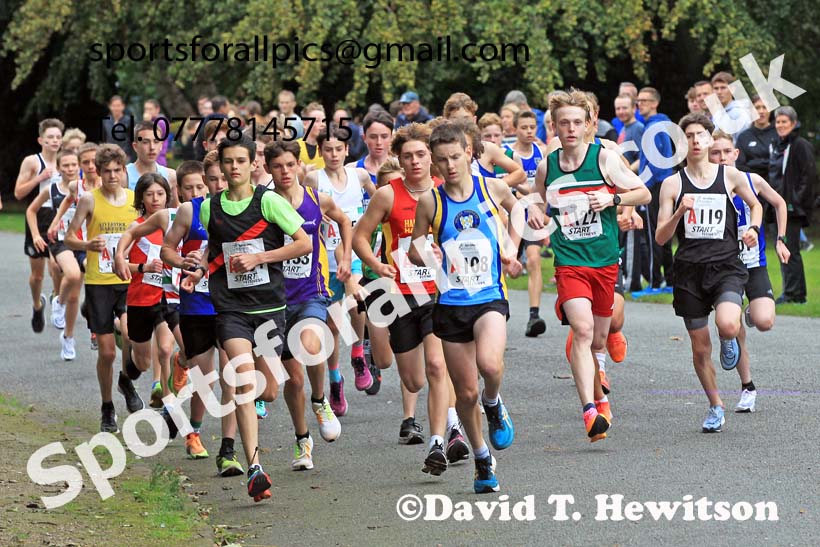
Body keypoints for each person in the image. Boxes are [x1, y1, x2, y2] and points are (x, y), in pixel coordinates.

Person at [183, 134, 311, 501]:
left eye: (241, 160)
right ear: (221, 166)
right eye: (229, 161)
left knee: (267, 390)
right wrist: (199, 271)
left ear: (252, 163)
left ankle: (255, 430)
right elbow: (214, 248)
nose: (235, 167)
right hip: (232, 310)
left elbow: (303, 242)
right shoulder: (209, 208)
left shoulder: (268, 201)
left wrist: (260, 258)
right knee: (241, 379)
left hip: (269, 308)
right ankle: (254, 467)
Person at [528, 89, 650, 442]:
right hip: (569, 262)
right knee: (581, 331)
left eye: (577, 122)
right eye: (563, 123)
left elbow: (643, 192)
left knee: (597, 337)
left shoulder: (604, 159)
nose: (570, 129)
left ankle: (600, 395)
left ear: (588, 125)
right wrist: (535, 209)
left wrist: (612, 197)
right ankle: (589, 411)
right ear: (553, 126)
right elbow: (536, 198)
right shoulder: (546, 166)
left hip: (604, 261)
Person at [409, 121, 524, 494]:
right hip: (451, 303)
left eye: (456, 157)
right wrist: (429, 251)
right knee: (465, 394)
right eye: (441, 160)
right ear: (434, 164)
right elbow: (415, 246)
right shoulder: (431, 201)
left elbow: (518, 209)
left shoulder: (491, 188)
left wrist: (511, 247)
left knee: (490, 365)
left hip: (488, 295)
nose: (450, 165)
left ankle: (495, 402)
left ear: (470, 153)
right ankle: (481, 458)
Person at [354, 122, 469, 474]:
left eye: (421, 155)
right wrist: (378, 264)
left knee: (437, 365)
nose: (416, 161)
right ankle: (444, 422)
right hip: (400, 296)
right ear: (399, 160)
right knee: (413, 380)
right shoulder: (388, 195)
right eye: (408, 156)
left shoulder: (444, 192)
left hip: (438, 293)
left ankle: (445, 435)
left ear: (431, 158)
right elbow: (360, 237)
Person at [655, 113, 763, 432]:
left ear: (710, 138)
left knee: (728, 323)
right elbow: (661, 237)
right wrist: (679, 212)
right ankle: (716, 405)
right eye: (689, 136)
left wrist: (754, 227)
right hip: (689, 272)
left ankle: (729, 337)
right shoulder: (672, 184)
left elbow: (755, 205)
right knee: (700, 348)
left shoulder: (729, 176)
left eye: (701, 134)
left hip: (726, 266)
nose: (696, 141)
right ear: (682, 142)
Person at [265, 139, 347, 470]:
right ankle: (303, 442)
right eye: (277, 166)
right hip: (275, 301)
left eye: (289, 165)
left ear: (299, 165)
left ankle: (320, 400)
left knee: (311, 344)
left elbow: (344, 220)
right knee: (292, 380)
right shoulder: (264, 204)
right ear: (268, 169)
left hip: (311, 292)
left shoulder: (316, 199)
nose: (285, 172)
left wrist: (346, 257)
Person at [709, 129, 790, 413]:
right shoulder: (705, 185)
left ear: (735, 154)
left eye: (725, 153)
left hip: (753, 263)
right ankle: (747, 387)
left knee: (764, 320)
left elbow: (779, 203)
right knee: (735, 331)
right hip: (724, 267)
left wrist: (780, 239)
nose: (721, 159)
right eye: (714, 153)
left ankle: (747, 313)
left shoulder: (751, 180)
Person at [65, 144, 140, 433]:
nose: (111, 175)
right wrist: (87, 245)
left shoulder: (135, 200)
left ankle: (126, 379)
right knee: (107, 352)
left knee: (133, 335)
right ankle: (107, 406)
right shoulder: (88, 200)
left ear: (124, 171)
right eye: (106, 170)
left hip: (128, 280)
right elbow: (69, 238)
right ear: (98, 171)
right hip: (99, 282)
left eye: (116, 170)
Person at [304, 126, 376, 412]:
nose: (333, 154)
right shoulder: (313, 178)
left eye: (339, 149)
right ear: (321, 151)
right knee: (332, 323)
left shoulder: (359, 176)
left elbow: (378, 198)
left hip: (354, 250)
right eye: (328, 149)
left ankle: (358, 353)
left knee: (357, 298)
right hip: (324, 258)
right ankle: (335, 378)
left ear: (347, 150)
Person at [25, 149, 83, 360]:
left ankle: (68, 337)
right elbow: (31, 210)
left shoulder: (86, 189)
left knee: (75, 295)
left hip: (82, 242)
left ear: (79, 166)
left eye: (73, 165)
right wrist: (35, 236)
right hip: (58, 241)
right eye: (65, 165)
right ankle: (58, 300)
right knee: (65, 271)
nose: (69, 169)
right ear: (59, 168)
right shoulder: (52, 190)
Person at [15, 118, 65, 333]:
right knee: (37, 275)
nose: (54, 141)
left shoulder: (67, 161)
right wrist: (40, 178)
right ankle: (37, 305)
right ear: (41, 140)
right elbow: (18, 193)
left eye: (57, 137)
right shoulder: (32, 162)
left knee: (57, 265)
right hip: (37, 216)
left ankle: (56, 298)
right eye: (50, 137)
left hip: (58, 217)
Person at [768, 106, 816, 304]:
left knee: (790, 250)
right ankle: (793, 293)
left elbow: (809, 175)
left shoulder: (800, 144)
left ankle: (794, 294)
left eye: (784, 122)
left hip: (791, 208)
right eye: (778, 121)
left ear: (794, 123)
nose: (780, 125)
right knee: (784, 249)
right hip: (775, 206)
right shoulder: (776, 145)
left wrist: (795, 201)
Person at [636, 87, 675, 292]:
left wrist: (643, 186)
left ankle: (654, 281)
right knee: (665, 234)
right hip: (662, 184)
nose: (639, 104)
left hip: (655, 187)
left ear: (654, 103)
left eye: (644, 101)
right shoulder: (660, 124)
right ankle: (670, 280)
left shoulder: (654, 126)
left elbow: (656, 163)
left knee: (653, 235)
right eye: (638, 101)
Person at [126, 121, 178, 205]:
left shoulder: (170, 176)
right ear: (135, 146)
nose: (152, 147)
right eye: (146, 142)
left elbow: (175, 210)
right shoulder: (125, 176)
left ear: (161, 145)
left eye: (156, 142)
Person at [736, 96, 777, 181]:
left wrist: (754, 163)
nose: (761, 111)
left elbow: (779, 163)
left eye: (765, 107)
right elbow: (740, 166)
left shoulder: (778, 134)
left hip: (776, 186)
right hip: (751, 186)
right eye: (757, 108)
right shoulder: (743, 137)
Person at [102, 95, 136, 162]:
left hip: (125, 156)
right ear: (110, 106)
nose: (116, 108)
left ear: (123, 106)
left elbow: (133, 140)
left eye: (118, 105)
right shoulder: (105, 121)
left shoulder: (129, 121)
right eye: (114, 106)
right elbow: (104, 139)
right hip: (109, 156)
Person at [297, 102, 327, 172]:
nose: (322, 124)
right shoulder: (295, 146)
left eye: (324, 121)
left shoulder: (328, 147)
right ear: (305, 124)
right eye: (317, 121)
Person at [143, 99, 169, 167]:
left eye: (150, 109)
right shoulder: (150, 121)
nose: (147, 112)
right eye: (146, 109)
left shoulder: (161, 122)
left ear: (157, 110)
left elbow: (151, 135)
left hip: (158, 159)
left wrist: (146, 122)